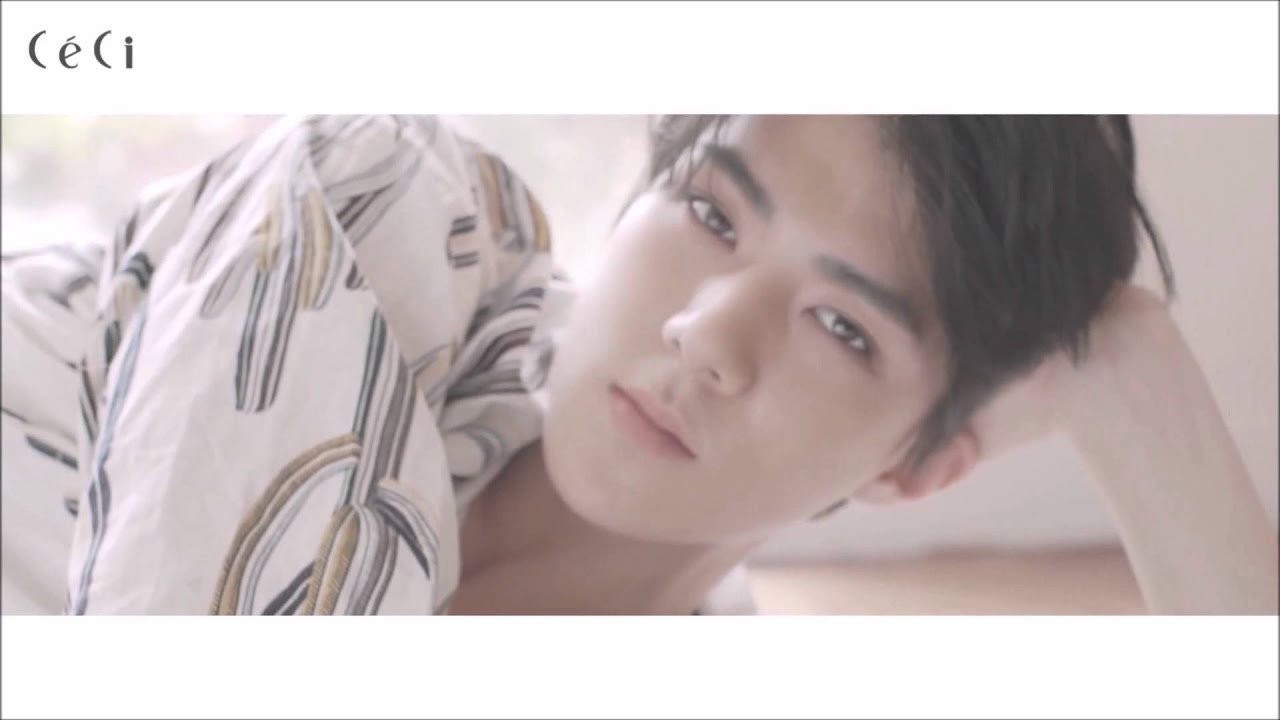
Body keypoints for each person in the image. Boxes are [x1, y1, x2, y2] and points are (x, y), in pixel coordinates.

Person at [2, 114, 1275, 615]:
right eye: (710, 212)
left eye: (844, 327)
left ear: (912, 467)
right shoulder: (385, 204)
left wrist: (1138, 382)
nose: (706, 334)